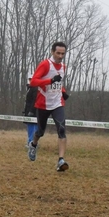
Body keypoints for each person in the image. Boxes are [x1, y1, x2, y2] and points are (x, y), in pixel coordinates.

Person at [27, 41, 70, 172]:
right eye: (58, 53)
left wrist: (63, 91)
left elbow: (58, 81)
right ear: (52, 52)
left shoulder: (63, 66)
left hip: (57, 103)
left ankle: (61, 160)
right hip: (43, 104)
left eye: (63, 53)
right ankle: (33, 145)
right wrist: (50, 81)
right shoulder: (45, 64)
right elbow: (34, 81)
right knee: (40, 132)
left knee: (62, 129)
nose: (60, 56)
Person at [23, 76, 38, 147]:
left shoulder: (36, 88)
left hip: (34, 112)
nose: (30, 80)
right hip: (28, 110)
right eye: (29, 79)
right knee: (30, 127)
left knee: (33, 127)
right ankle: (30, 141)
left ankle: (32, 143)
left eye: (31, 79)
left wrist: (32, 111)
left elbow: (35, 100)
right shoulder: (30, 88)